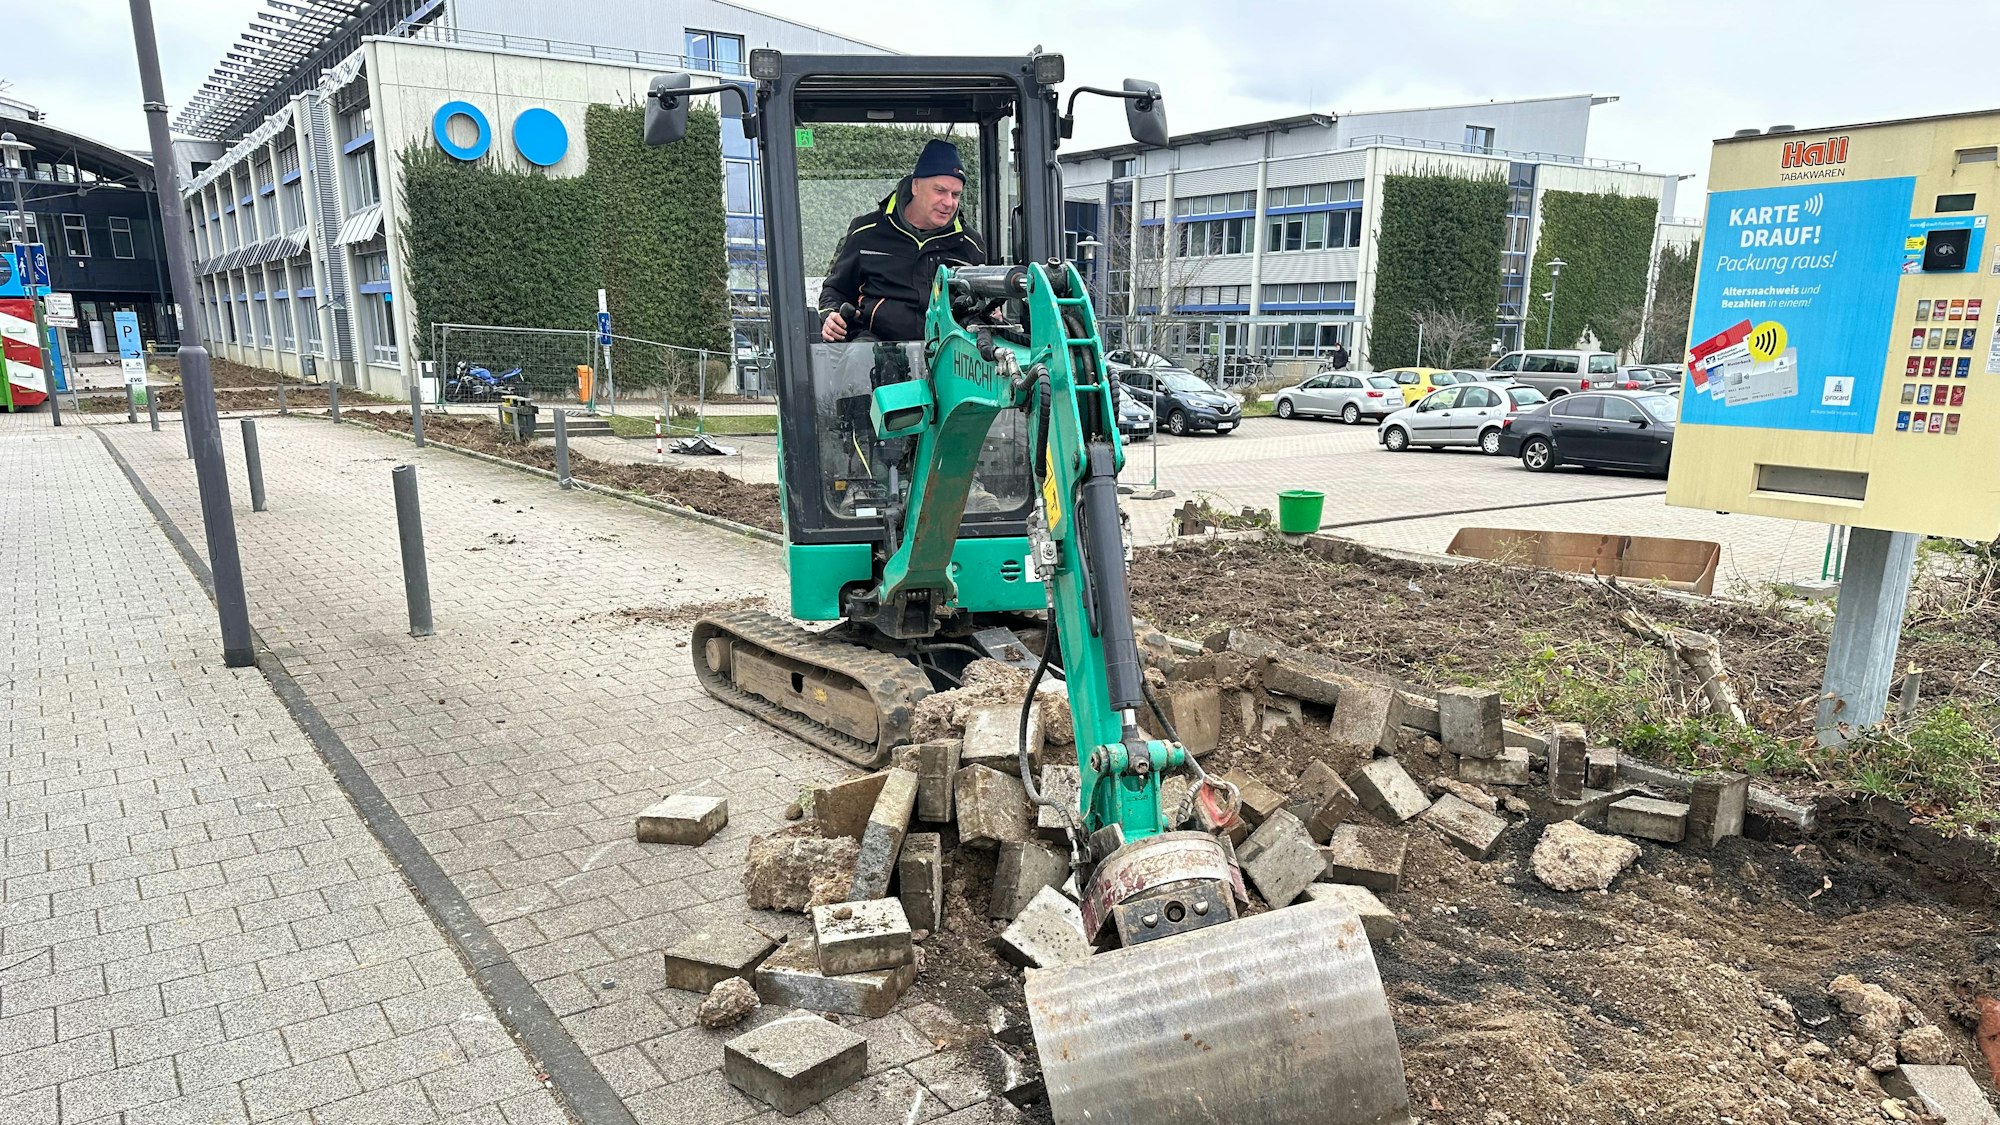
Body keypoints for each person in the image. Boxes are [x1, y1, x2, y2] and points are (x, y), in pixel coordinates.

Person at [819, 139, 986, 343]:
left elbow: (983, 304)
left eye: (955, 194)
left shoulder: (970, 243)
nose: (948, 203)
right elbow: (835, 289)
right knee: (857, 359)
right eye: (940, 191)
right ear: (916, 185)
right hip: (875, 347)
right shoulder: (866, 233)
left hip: (949, 350)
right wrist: (831, 315)